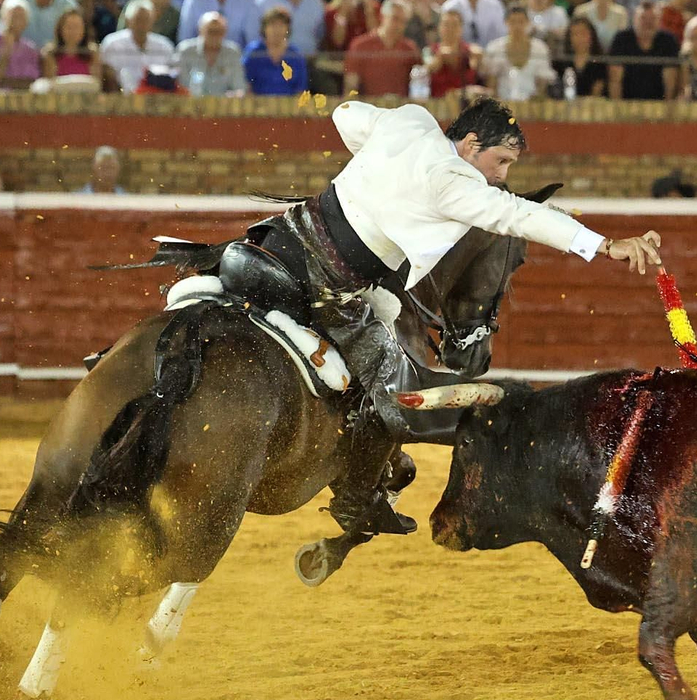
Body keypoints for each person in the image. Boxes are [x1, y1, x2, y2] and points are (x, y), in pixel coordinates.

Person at [275, 95, 664, 538]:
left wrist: (381, 161)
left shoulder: (411, 121)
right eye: (500, 161)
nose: (501, 177)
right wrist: (606, 246)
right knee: (395, 389)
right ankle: (355, 503)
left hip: (277, 243)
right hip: (330, 286)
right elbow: (516, 215)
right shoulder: (454, 182)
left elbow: (344, 113)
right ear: (471, 143)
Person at [344, 0, 419, 98]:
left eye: (403, 21)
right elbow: (351, 86)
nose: (399, 26)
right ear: (382, 16)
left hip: (400, 109)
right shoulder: (360, 45)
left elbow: (418, 82)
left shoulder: (409, 48)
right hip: (369, 108)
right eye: (395, 19)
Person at [608, 0, 680, 100]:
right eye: (643, 18)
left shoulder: (668, 41)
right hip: (626, 103)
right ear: (634, 19)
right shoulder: (621, 39)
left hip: (658, 104)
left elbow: (670, 82)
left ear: (659, 21)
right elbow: (615, 80)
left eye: (653, 18)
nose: (648, 23)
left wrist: (666, 112)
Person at [100, 0, 175, 91]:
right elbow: (108, 77)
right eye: (138, 20)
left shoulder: (165, 46)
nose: (142, 24)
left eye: (146, 20)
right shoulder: (112, 44)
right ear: (128, 21)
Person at [176, 10, 247, 96]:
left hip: (223, 106)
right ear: (200, 30)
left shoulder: (233, 52)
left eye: (219, 32)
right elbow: (181, 86)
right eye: (211, 31)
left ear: (225, 32)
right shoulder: (186, 51)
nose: (215, 36)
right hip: (191, 105)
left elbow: (239, 87)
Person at [243, 4, 308, 95]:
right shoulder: (254, 52)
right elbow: (246, 86)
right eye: (272, 24)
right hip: (257, 105)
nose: (277, 29)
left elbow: (300, 90)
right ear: (264, 28)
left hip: (288, 106)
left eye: (281, 25)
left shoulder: (295, 55)